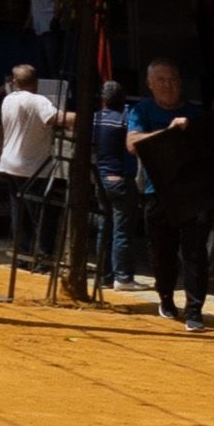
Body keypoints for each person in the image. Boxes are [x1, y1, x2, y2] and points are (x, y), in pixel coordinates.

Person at [124, 59, 207, 329]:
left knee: (195, 253)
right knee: (162, 251)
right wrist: (168, 132)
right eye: (161, 81)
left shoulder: (196, 113)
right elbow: (132, 143)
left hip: (193, 192)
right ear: (150, 84)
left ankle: (195, 311)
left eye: (172, 80)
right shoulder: (142, 110)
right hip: (156, 192)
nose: (168, 86)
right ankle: (166, 298)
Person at [0, 64, 76, 269]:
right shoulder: (38, 100)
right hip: (32, 167)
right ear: (37, 82)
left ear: (14, 82)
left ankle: (22, 255)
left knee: (19, 212)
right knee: (42, 215)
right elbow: (55, 118)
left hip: (9, 163)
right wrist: (82, 115)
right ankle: (43, 259)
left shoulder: (8, 100)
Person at [89, 79, 140, 289]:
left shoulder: (95, 119)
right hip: (119, 178)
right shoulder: (125, 119)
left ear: (103, 99)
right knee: (122, 229)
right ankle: (123, 277)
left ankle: (104, 276)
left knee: (105, 227)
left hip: (101, 178)